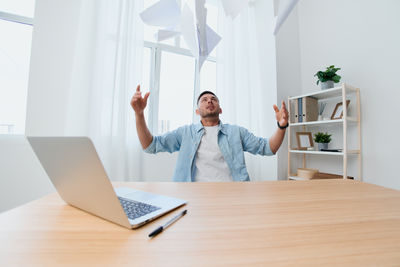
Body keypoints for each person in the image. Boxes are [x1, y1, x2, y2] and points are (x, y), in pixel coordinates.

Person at [130, 85, 289, 182]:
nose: (209, 101)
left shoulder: (236, 132)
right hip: (193, 195)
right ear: (197, 111)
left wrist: (281, 127)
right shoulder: (185, 133)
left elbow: (268, 148)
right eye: (204, 99)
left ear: (220, 109)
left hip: (232, 194)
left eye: (213, 99)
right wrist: (139, 114)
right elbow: (150, 146)